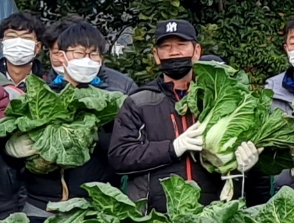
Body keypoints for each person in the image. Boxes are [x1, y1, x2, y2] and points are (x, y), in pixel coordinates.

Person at [104, 18, 262, 211]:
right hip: (154, 217)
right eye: (166, 46)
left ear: (197, 51)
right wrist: (172, 148)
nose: (174, 52)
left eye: (181, 45)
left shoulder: (220, 98)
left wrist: (244, 166)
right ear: (156, 55)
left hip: (214, 212)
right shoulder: (138, 102)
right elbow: (120, 157)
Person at [0, 20, 130, 217]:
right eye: (79, 53)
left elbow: (123, 152)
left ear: (101, 59)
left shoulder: (115, 101)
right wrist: (11, 151)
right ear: (62, 56)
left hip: (95, 204)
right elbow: (8, 157)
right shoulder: (38, 96)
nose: (86, 60)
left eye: (93, 54)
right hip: (41, 205)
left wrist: (90, 137)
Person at [0, 12, 48, 99]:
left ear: (37, 47)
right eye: (12, 36)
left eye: (26, 38)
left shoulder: (47, 86)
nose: (18, 43)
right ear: (2, 45)